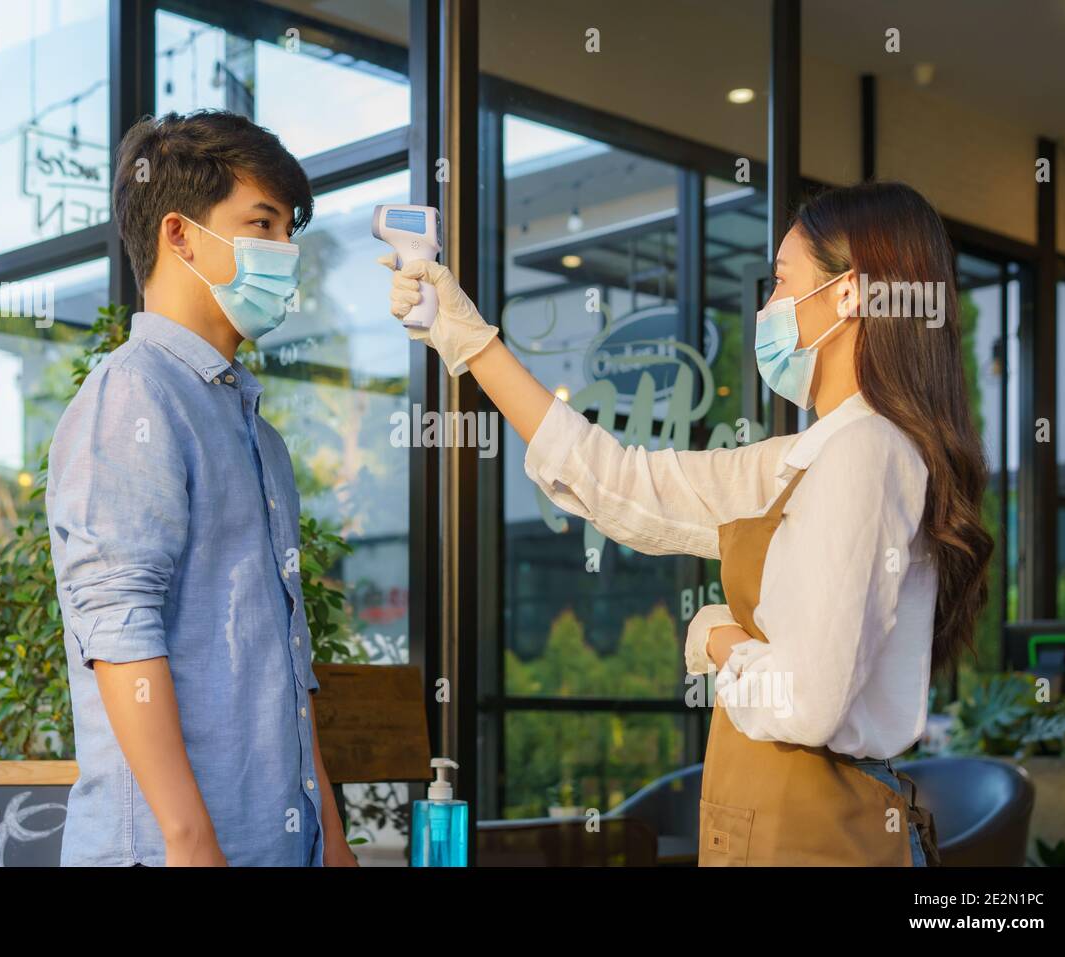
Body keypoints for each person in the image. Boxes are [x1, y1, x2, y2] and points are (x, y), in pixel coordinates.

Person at [382, 180, 993, 866]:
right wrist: (467, 338)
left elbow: (808, 701)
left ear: (849, 293)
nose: (766, 308)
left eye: (780, 282)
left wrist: (717, 637)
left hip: (818, 835)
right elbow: (616, 480)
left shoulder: (864, 452)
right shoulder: (812, 457)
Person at [47, 110, 357, 867]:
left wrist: (335, 841)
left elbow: (286, 666)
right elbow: (121, 635)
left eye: (290, 232)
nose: (287, 253)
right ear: (180, 235)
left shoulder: (255, 431)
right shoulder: (134, 395)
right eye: (264, 224)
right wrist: (192, 845)